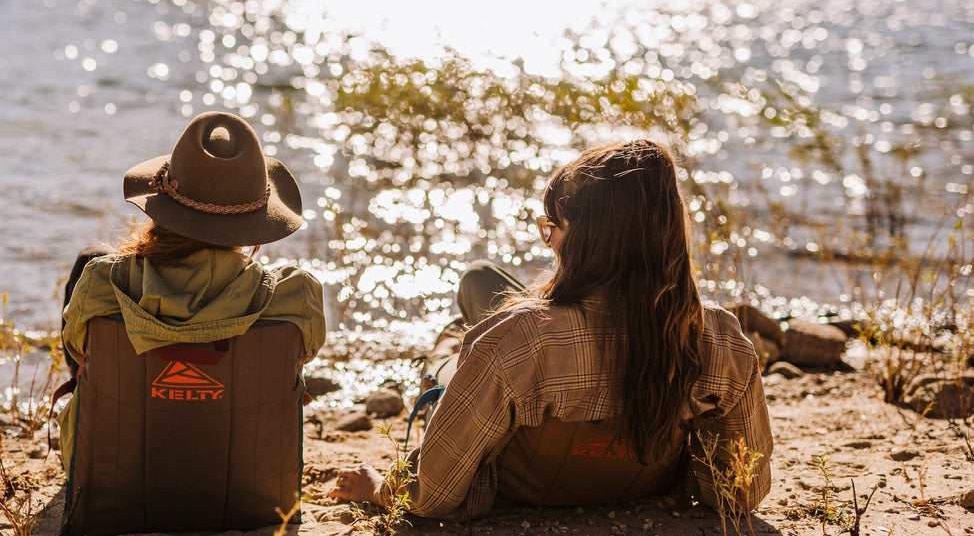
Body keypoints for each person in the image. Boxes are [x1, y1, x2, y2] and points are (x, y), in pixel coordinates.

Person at [329, 139, 772, 519]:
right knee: (483, 280)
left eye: (552, 228)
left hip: (521, 422)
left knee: (465, 314)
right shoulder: (718, 336)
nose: (549, 240)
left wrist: (381, 488)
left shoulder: (520, 338)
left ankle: (448, 344)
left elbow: (436, 494)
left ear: (586, 240)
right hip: (639, 480)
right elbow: (741, 492)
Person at [57, 111, 326, 532]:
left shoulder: (101, 282)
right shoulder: (295, 296)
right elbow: (303, 356)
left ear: (160, 207)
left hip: (115, 492)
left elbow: (77, 352)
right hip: (253, 498)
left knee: (89, 262)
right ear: (255, 221)